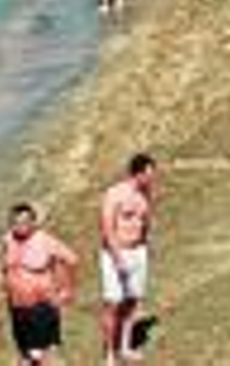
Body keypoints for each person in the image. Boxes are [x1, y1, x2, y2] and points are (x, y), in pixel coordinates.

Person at [1, 203, 80, 365]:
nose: (20, 226)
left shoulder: (44, 240)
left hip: (41, 307)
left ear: (33, 222)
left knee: (45, 356)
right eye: (15, 222)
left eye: (24, 222)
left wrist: (67, 289)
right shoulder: (8, 240)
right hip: (17, 308)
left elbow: (71, 259)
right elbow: (5, 267)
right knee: (25, 354)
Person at [100, 153, 157, 366]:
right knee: (113, 303)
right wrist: (117, 258)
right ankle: (109, 354)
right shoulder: (115, 194)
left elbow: (145, 221)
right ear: (137, 173)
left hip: (138, 252)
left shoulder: (146, 194)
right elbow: (106, 227)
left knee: (133, 301)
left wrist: (146, 245)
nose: (152, 179)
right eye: (149, 175)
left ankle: (125, 346)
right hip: (116, 253)